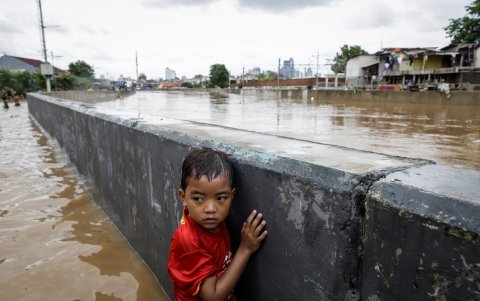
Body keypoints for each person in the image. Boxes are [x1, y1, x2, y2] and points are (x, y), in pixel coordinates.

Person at [168, 148, 268, 301]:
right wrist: (245, 249)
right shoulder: (189, 240)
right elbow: (212, 297)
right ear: (183, 197)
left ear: (232, 196)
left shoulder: (213, 223)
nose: (211, 210)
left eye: (221, 198)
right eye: (198, 199)